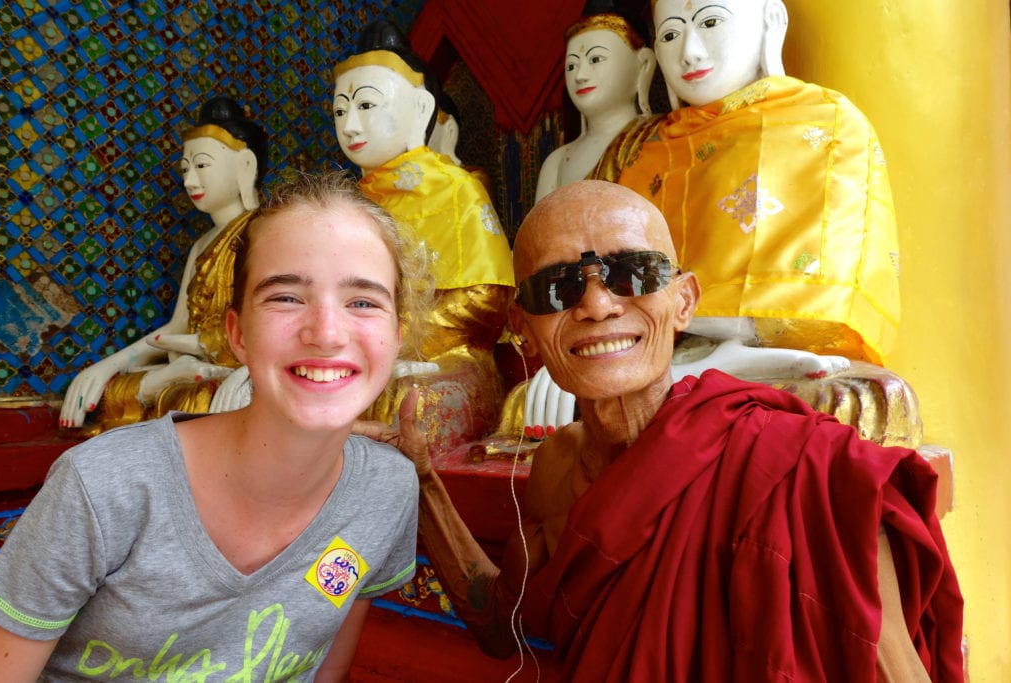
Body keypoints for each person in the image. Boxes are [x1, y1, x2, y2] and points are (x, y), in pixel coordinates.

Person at [360, 180, 964, 681]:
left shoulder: (805, 468)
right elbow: (501, 624)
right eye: (557, 287)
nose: (597, 305)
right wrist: (421, 480)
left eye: (634, 273)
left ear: (684, 300)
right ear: (522, 328)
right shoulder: (555, 470)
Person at [0, 171, 431, 681]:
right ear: (237, 334)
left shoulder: (386, 489)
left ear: (397, 337)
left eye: (363, 302)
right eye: (286, 296)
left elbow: (324, 668)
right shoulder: (103, 486)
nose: (326, 333)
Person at [595, 0, 899, 370]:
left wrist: (669, 325)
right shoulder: (641, 148)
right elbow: (591, 278)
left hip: (772, 364)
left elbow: (827, 313)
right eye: (671, 34)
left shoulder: (827, 124)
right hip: (645, 354)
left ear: (771, 21)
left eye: (710, 22)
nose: (689, 53)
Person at [332, 20, 516, 445]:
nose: (350, 126)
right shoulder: (346, 202)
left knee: (411, 405)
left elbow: (487, 300)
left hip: (447, 356)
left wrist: (396, 340)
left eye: (367, 106)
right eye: (340, 111)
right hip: (356, 351)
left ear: (419, 108)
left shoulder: (455, 189)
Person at [59, 96, 268, 432]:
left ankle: (176, 377)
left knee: (198, 397)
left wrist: (196, 346)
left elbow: (270, 323)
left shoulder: (265, 233)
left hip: (235, 366)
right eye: (185, 169)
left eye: (201, 165)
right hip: (192, 362)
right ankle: (171, 376)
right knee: (114, 393)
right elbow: (177, 327)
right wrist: (106, 367)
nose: (189, 181)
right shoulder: (202, 244)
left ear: (246, 166)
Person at [534, 0, 655, 202]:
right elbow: (538, 232)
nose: (580, 75)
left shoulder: (661, 139)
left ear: (643, 65)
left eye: (596, 59)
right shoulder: (557, 162)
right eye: (571, 65)